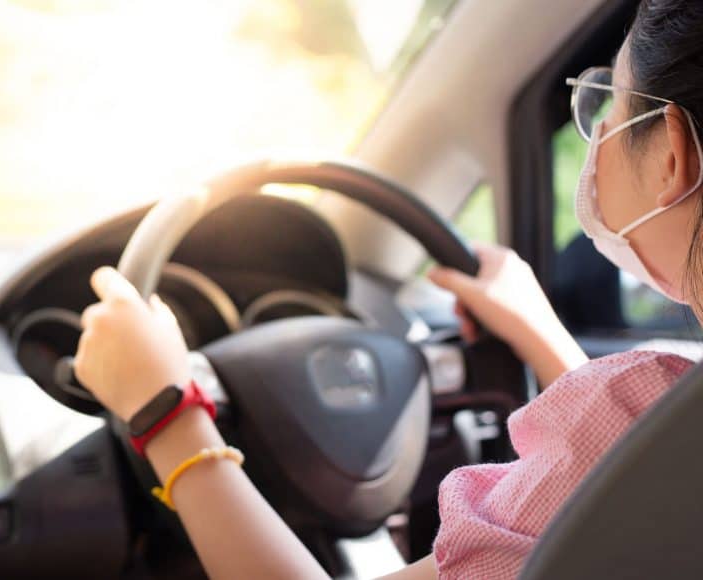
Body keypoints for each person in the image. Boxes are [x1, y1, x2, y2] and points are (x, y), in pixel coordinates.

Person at [72, 1, 703, 577]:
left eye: (610, 106)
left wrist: (165, 411)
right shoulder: (655, 416)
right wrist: (542, 336)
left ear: (671, 154)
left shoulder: (639, 407)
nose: (598, 136)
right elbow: (625, 480)